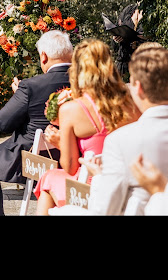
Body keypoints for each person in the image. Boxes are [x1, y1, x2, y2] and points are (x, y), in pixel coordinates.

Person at [51, 44, 168, 215]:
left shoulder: (119, 140)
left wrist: (98, 176)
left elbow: (106, 209)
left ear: (139, 87)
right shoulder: (130, 106)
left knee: (52, 193)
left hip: (101, 189)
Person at [0, 30, 73, 216]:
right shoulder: (87, 83)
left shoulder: (31, 86)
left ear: (44, 56)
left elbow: (3, 123)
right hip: (74, 158)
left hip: (32, 161)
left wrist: (19, 96)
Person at [34, 39, 139, 214]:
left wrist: (61, 144)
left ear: (77, 70)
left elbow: (70, 167)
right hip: (130, 185)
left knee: (48, 177)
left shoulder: (72, 109)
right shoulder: (132, 104)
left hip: (92, 188)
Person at [112, 3, 145, 79]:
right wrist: (115, 38)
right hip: (123, 63)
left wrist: (137, 42)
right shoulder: (128, 10)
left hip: (141, 63)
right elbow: (117, 29)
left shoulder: (150, 10)